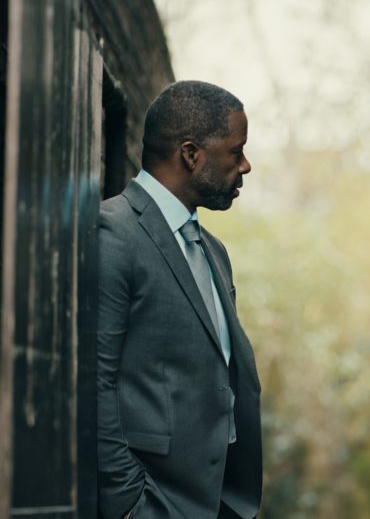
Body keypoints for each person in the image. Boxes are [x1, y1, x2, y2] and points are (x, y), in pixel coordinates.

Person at [98, 81, 262, 519]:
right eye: (236, 151)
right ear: (191, 154)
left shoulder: (214, 251)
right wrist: (129, 505)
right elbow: (93, 383)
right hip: (149, 502)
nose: (245, 165)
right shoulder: (114, 232)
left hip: (215, 502)